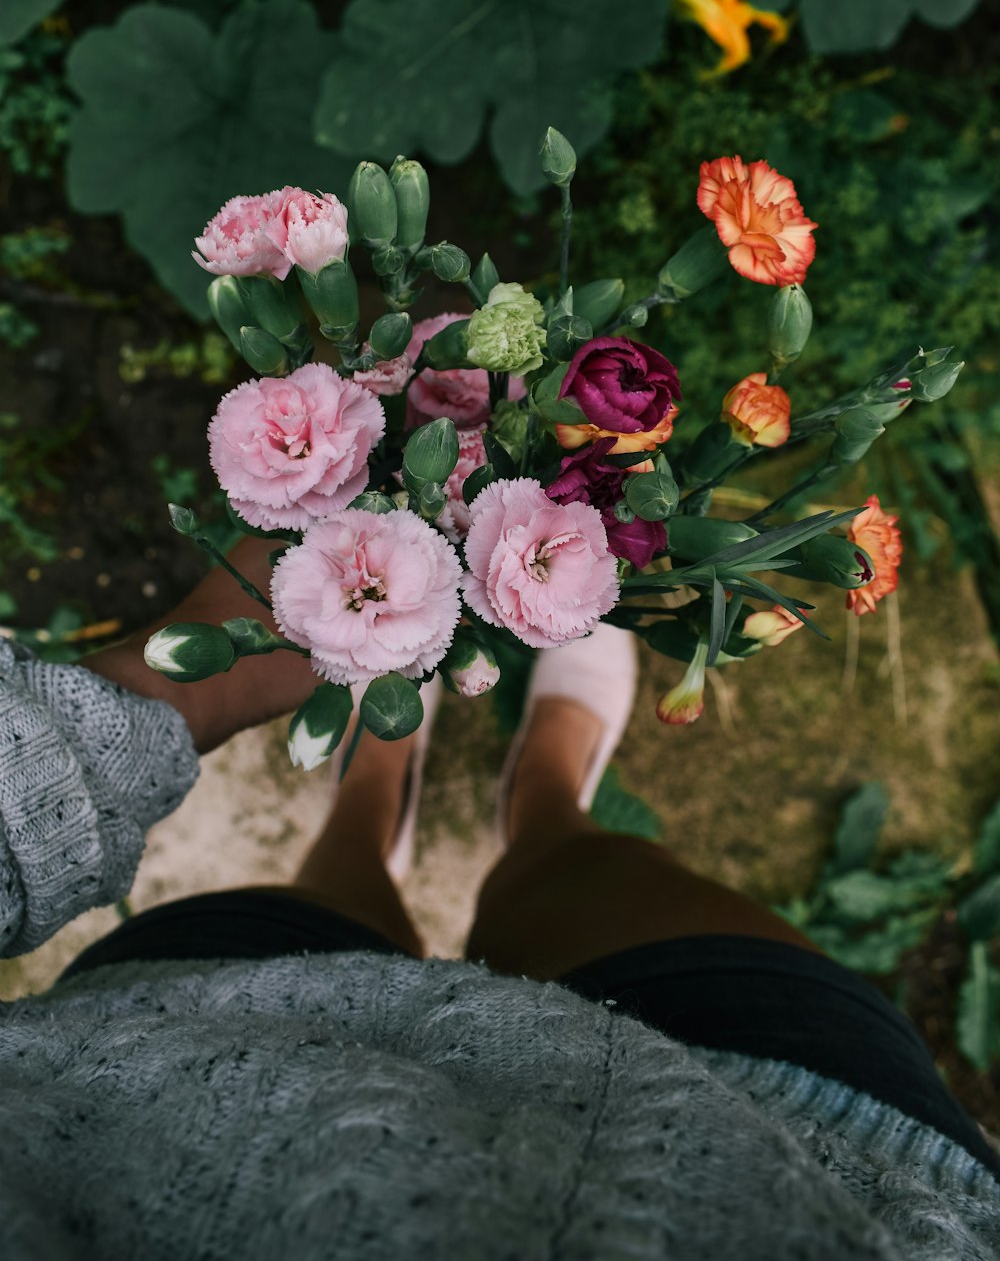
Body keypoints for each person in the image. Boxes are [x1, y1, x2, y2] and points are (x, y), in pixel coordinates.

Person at [1, 536, 998, 1261]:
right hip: (793, 1137)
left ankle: (380, 792)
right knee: (586, 875)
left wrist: (174, 686)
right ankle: (547, 791)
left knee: (324, 910)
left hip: (182, 1073)